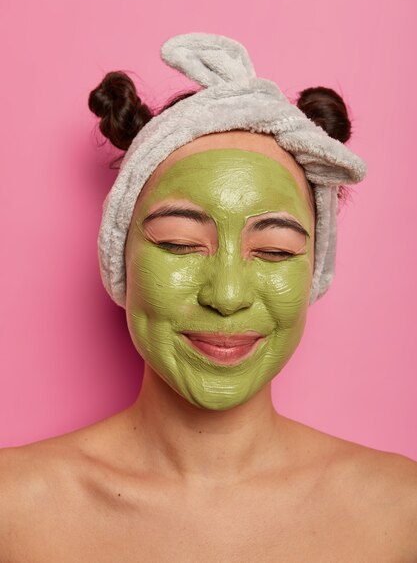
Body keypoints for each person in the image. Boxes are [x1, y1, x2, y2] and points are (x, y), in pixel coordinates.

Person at [1, 33, 416, 561]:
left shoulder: (401, 513)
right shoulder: (13, 510)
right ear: (118, 258)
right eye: (179, 243)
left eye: (274, 249)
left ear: (315, 270)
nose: (227, 295)